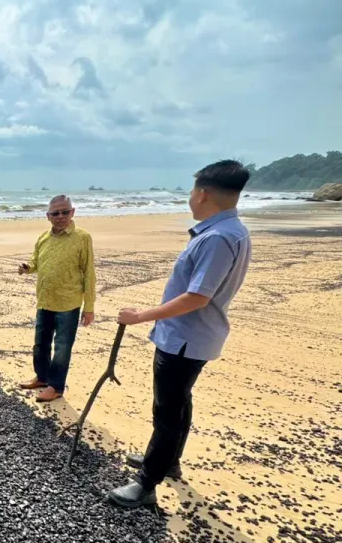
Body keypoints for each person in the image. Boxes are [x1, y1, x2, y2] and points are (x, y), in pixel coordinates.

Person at [108, 160, 252, 508]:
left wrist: (140, 316)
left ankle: (146, 484)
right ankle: (168, 462)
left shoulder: (218, 238)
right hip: (192, 336)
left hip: (186, 338)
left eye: (191, 191)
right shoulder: (230, 231)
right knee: (179, 402)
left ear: (202, 194)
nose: (190, 198)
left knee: (167, 411)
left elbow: (197, 297)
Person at [18, 195, 96, 402]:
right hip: (45, 300)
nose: (60, 216)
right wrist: (27, 268)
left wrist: (89, 307)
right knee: (40, 344)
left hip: (68, 304)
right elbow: (36, 262)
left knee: (62, 348)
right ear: (48, 216)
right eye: (55, 213)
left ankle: (56, 386)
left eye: (64, 212)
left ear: (73, 212)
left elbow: (89, 273)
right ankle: (42, 378)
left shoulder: (82, 237)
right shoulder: (43, 238)